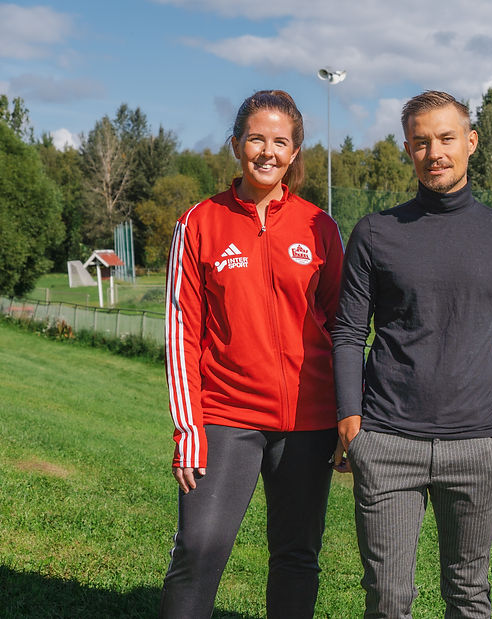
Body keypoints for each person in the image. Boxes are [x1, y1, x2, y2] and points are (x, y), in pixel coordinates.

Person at [332, 90, 492, 618]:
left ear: (470, 142)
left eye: (447, 138)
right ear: (408, 149)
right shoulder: (376, 233)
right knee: (387, 599)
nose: (435, 152)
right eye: (422, 141)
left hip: (475, 446)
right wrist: (352, 422)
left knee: (468, 598)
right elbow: (347, 333)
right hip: (386, 442)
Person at [160, 89, 344, 619]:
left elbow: (341, 324)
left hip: (307, 424)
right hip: (225, 417)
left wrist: (344, 416)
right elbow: (181, 330)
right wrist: (189, 429)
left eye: (280, 142)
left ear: (295, 152)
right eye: (256, 139)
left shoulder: (320, 227)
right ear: (236, 143)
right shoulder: (199, 223)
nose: (267, 151)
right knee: (200, 548)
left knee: (296, 556)